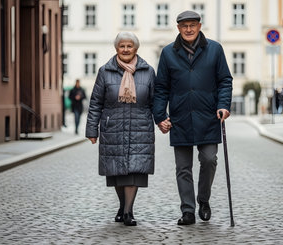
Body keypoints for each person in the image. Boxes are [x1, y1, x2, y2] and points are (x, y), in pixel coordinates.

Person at [153, 10, 233, 225]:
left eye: (192, 25)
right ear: (178, 28)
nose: (188, 29)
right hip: (180, 117)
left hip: (208, 116)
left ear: (199, 26)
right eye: (184, 26)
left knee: (209, 159)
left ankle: (203, 199)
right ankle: (188, 210)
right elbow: (161, 88)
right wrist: (160, 116)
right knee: (183, 168)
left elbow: (225, 80)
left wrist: (223, 106)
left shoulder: (214, 49)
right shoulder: (168, 52)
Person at [85, 32, 155, 226]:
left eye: (129, 46)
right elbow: (95, 102)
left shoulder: (148, 71)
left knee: (134, 170)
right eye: (122, 46)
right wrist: (92, 130)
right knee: (117, 172)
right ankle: (122, 205)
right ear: (116, 48)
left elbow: (155, 102)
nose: (125, 49)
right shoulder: (104, 71)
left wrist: (162, 121)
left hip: (140, 127)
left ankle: (128, 212)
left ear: (136, 48)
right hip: (112, 126)